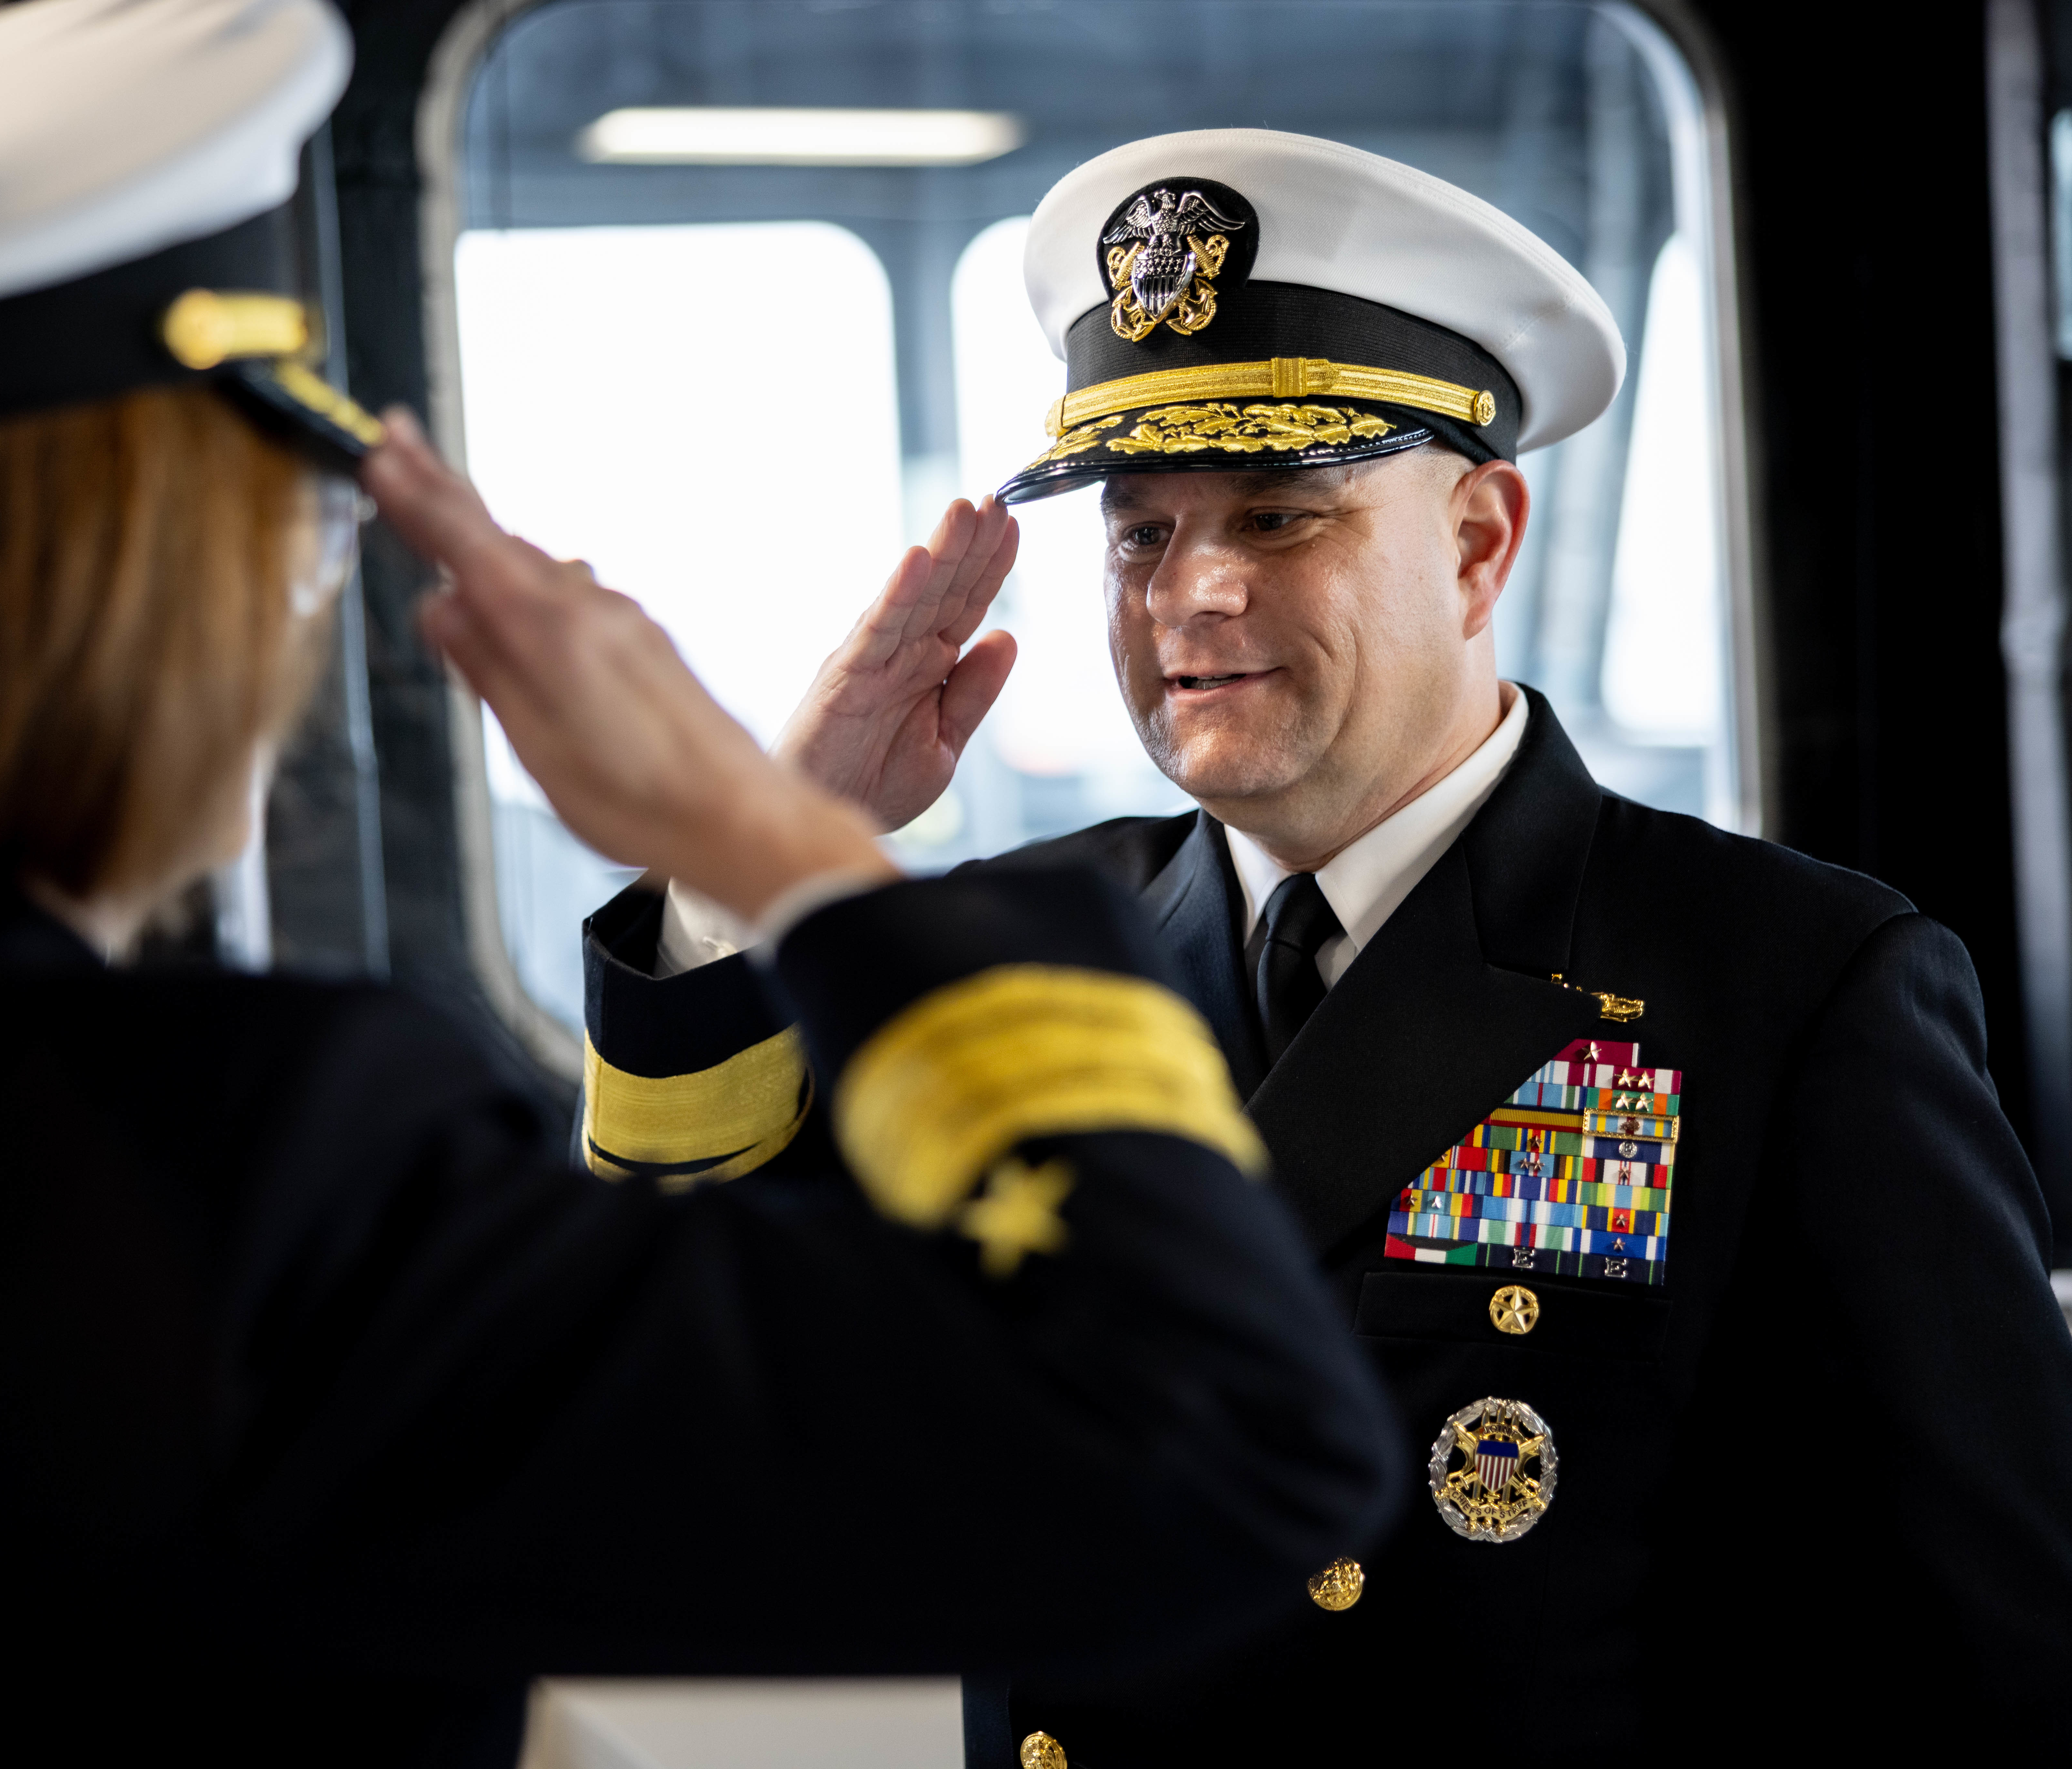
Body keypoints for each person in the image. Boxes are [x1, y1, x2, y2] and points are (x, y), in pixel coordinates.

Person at [0, 14, 1402, 1756]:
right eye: (278, 547)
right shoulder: (249, 1171)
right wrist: (768, 844)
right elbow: (1226, 1444)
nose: (293, 617)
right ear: (122, 614)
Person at [586, 130, 2072, 1755]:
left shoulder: (1789, 987)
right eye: (1139, 532)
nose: (1190, 594)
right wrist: (754, 869)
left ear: (1479, 540)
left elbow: (1988, 1656)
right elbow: (678, 1384)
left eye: (1280, 515)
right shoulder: (1001, 957)